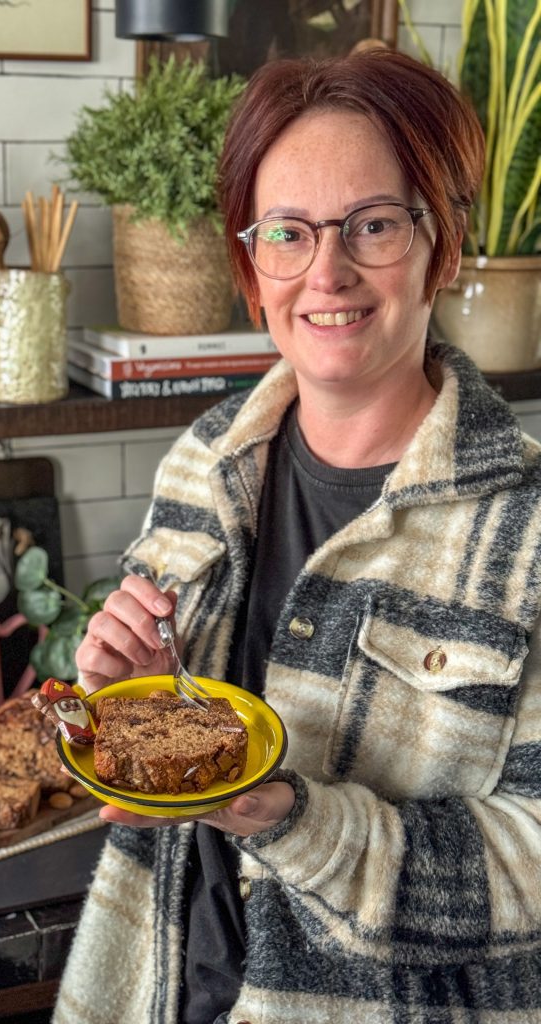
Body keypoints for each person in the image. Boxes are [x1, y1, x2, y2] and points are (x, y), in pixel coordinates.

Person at [52, 48, 541, 1024]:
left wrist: (291, 818)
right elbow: (161, 740)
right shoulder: (202, 461)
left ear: (441, 248)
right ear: (250, 266)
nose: (326, 271)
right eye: (287, 231)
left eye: (374, 224)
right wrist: (133, 691)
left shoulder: (525, 529)